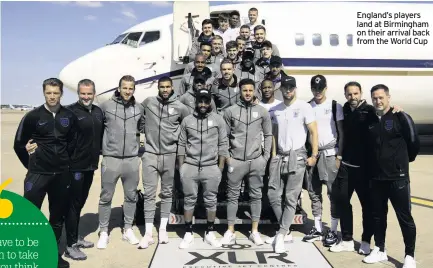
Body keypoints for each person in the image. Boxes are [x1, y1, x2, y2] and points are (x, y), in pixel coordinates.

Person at [14, 78, 78, 268]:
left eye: (56, 93)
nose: (52, 96)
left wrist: (66, 165)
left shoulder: (69, 116)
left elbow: (73, 144)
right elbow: (19, 144)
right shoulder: (33, 116)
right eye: (49, 93)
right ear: (44, 93)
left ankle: (52, 254)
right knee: (29, 215)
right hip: (38, 174)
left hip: (61, 175)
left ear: (61, 94)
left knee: (57, 217)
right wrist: (32, 165)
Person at [363, 84, 419, 268]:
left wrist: (402, 163)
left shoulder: (400, 116)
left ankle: (409, 255)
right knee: (378, 216)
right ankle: (380, 249)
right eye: (375, 98)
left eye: (381, 97)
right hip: (377, 179)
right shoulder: (370, 119)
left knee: (405, 217)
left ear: (388, 97)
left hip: (398, 178)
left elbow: (413, 141)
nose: (378, 101)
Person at [267, 76, 318, 253]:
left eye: (291, 88)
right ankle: (285, 229)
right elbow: (274, 134)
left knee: (290, 197)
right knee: (273, 194)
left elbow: (313, 131)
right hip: (279, 156)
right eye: (285, 88)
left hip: (297, 156)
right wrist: (273, 155)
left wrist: (314, 154)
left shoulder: (304, 107)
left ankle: (281, 234)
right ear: (281, 90)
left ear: (295, 89)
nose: (288, 91)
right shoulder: (276, 109)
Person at [138, 76, 189, 249]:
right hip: (151, 154)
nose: (165, 89)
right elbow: (138, 115)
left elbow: (188, 126)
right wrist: (143, 130)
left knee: (167, 193)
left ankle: (162, 229)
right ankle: (147, 233)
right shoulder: (149, 102)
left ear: (172, 87)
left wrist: (180, 149)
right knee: (149, 194)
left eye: (168, 87)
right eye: (162, 87)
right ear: (158, 88)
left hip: (170, 155)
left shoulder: (180, 107)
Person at [221, 78, 272, 245]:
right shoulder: (230, 112)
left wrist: (265, 158)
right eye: (244, 90)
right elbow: (224, 137)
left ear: (254, 91)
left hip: (256, 161)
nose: (248, 93)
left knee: (256, 196)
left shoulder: (262, 111)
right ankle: (230, 230)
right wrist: (228, 158)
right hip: (235, 161)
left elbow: (268, 135)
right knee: (232, 197)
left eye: (250, 90)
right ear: (240, 91)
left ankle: (255, 231)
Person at [177, 88, 229, 249]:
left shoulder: (218, 120)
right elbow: (181, 145)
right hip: (190, 167)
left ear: (210, 102)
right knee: (189, 199)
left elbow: (223, 144)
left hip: (211, 167)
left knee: (211, 200)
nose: (203, 104)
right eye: (201, 101)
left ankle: (210, 232)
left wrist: (220, 168)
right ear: (196, 102)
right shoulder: (187, 121)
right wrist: (181, 167)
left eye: (206, 101)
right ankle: (188, 232)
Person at [96, 75, 144, 249]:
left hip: (131, 160)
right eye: (125, 88)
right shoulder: (106, 106)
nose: (127, 91)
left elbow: (144, 128)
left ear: (134, 90)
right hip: (111, 159)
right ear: (119, 88)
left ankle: (128, 229)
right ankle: (103, 231)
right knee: (105, 197)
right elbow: (95, 127)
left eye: (130, 88)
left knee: (131, 196)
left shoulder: (139, 108)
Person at [329, 81, 376, 254]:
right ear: (345, 95)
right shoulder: (345, 110)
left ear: (361, 93)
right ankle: (347, 239)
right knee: (342, 202)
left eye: (355, 94)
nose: (353, 97)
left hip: (364, 169)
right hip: (346, 167)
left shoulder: (370, 111)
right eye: (349, 94)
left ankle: (365, 241)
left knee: (367, 206)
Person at [63, 79, 104, 260]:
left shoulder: (98, 112)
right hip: (75, 167)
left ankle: (75, 237)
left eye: (89, 93)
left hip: (90, 166)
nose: (86, 97)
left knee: (79, 203)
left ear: (94, 94)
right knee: (73, 204)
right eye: (82, 93)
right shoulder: (70, 112)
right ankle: (70, 246)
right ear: (78, 93)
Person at [302, 75, 344, 248]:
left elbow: (342, 132)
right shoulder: (307, 106)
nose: (317, 92)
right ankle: (318, 228)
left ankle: (333, 229)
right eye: (314, 89)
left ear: (326, 88)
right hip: (314, 154)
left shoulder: (335, 106)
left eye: (320, 89)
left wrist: (339, 155)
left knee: (332, 194)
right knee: (314, 192)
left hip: (330, 153)